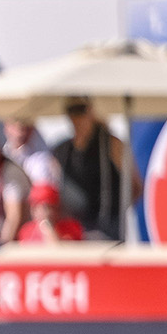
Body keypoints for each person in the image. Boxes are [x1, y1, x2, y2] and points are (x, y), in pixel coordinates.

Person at [52, 98, 136, 240]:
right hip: (73, 230)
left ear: (92, 111)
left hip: (106, 229)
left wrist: (116, 212)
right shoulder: (62, 150)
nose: (76, 117)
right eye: (71, 111)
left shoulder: (111, 144)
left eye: (81, 109)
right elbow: (55, 188)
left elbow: (135, 185)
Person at [17, 183, 85, 241]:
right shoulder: (26, 231)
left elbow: (60, 251)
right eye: (37, 207)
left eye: (49, 207)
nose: (45, 212)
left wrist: (48, 229)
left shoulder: (72, 228)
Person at [2, 117, 59, 185]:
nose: (19, 133)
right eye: (14, 126)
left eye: (24, 127)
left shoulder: (41, 160)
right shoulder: (3, 153)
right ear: (6, 127)